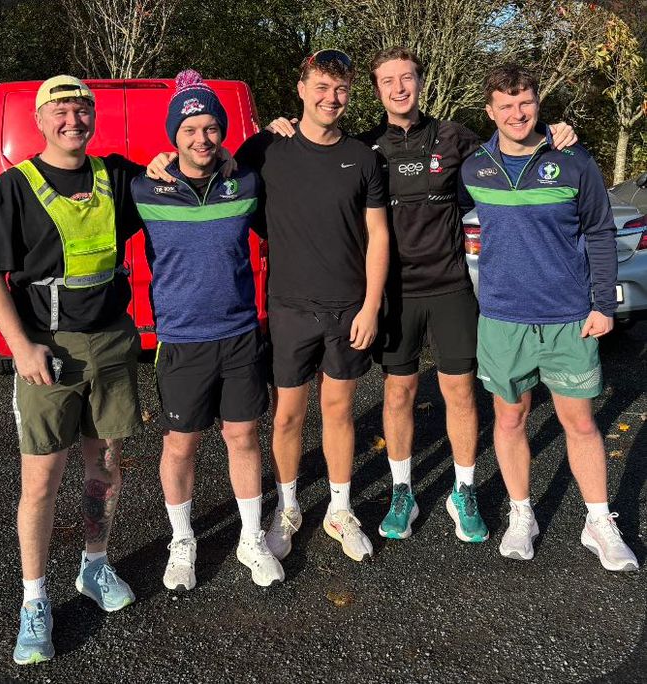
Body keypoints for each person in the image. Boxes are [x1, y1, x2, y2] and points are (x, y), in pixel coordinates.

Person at [267, 47, 578, 543]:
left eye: (407, 78)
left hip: (451, 286)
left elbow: (512, 143)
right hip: (395, 293)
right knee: (398, 393)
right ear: (376, 90)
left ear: (419, 81)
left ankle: (464, 490)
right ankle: (402, 491)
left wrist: (551, 133)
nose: (399, 88)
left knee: (460, 393)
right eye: (387, 80)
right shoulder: (364, 148)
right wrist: (279, 126)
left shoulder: (456, 137)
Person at [146, 52, 389, 563]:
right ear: (300, 89)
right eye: (321, 87)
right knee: (286, 417)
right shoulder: (267, 148)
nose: (331, 98)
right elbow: (209, 164)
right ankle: (287, 507)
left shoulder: (362, 157)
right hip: (288, 308)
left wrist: (371, 305)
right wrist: (162, 157)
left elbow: (377, 234)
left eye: (341, 90)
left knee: (340, 411)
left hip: (348, 307)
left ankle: (340, 509)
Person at [0, 76, 144, 665]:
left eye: (81, 110)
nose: (73, 120)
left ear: (93, 116)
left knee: (106, 466)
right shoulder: (13, 188)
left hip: (113, 344)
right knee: (41, 481)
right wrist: (20, 347)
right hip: (48, 351)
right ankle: (34, 599)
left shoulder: (114, 175)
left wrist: (255, 139)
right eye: (61, 111)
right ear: (41, 121)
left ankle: (94, 567)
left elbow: (183, 172)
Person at [458, 63, 638, 571]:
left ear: (538, 104)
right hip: (502, 318)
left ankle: (598, 521)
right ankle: (522, 514)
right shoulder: (473, 167)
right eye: (506, 105)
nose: (517, 114)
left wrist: (603, 305)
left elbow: (600, 231)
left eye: (526, 103)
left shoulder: (573, 159)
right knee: (509, 418)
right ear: (489, 111)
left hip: (568, 317)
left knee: (579, 422)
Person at [130, 70, 285, 589]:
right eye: (190, 129)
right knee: (181, 445)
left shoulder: (245, 182)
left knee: (243, 436)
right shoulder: (144, 187)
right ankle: (182, 540)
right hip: (181, 341)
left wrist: (275, 129)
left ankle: (250, 538)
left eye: (212, 128)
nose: (202, 139)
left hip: (239, 334)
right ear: (173, 135)